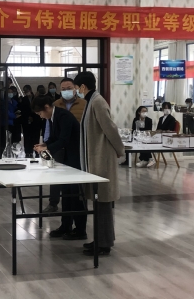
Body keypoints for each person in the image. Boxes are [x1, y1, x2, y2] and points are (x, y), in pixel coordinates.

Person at [74, 71, 125, 256]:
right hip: (95, 159)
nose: (76, 91)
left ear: (83, 87)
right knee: (98, 203)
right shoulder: (92, 101)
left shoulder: (97, 102)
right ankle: (100, 240)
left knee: (103, 202)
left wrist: (120, 149)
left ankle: (104, 244)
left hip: (102, 160)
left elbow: (110, 128)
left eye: (76, 88)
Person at [32, 95, 87, 240]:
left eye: (40, 113)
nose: (40, 116)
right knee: (66, 194)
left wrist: (47, 148)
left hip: (76, 158)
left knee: (75, 195)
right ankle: (65, 226)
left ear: (46, 107)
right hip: (66, 158)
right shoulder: (53, 117)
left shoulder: (64, 116)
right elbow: (54, 137)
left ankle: (80, 230)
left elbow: (64, 140)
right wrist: (44, 144)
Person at [42, 78, 87, 212]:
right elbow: (49, 125)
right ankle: (53, 203)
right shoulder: (56, 104)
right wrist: (47, 143)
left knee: (74, 179)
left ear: (75, 89)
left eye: (69, 88)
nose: (66, 91)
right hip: (58, 144)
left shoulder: (84, 103)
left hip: (76, 146)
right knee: (56, 175)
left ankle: (77, 205)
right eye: (63, 89)